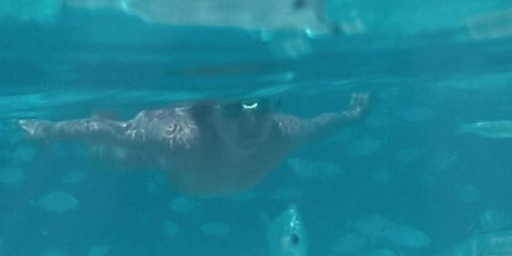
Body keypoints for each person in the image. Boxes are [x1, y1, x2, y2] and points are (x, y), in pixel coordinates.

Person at [19, 92, 369, 197]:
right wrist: (51, 129)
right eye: (233, 108)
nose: (251, 121)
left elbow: (317, 127)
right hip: (174, 168)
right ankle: (103, 98)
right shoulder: (184, 140)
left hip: (197, 177)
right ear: (211, 115)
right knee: (109, 158)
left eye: (262, 106)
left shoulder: (282, 132)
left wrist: (351, 115)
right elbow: (118, 132)